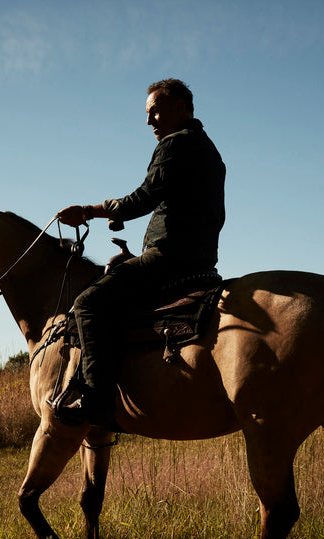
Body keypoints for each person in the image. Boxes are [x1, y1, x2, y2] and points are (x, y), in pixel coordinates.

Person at [53, 78, 226, 427]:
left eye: (155, 112)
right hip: (202, 260)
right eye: (148, 115)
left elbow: (141, 198)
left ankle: (96, 401)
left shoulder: (175, 144)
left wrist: (90, 211)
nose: (149, 122)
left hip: (168, 257)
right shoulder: (209, 149)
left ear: (180, 106)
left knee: (87, 303)